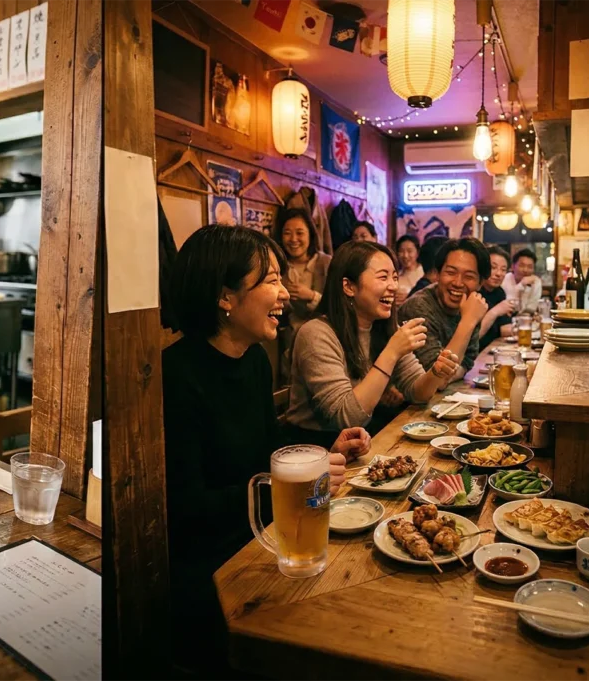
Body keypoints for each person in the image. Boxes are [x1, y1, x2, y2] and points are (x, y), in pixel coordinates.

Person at [163, 224, 370, 673]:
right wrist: (278, 490)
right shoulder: (176, 376)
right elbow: (187, 507)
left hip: (265, 543)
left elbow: (265, 448)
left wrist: (322, 446)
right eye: (272, 280)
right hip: (214, 575)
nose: (285, 295)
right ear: (225, 297)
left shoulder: (255, 359)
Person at [286, 241, 460, 445]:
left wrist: (436, 373)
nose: (393, 286)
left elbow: (417, 392)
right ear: (349, 286)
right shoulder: (316, 334)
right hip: (315, 447)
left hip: (364, 437)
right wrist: (392, 352)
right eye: (383, 277)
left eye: (395, 277)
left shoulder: (382, 327)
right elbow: (348, 418)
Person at [399, 238, 490, 381]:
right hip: (405, 402)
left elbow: (468, 361)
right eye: (451, 272)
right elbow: (438, 379)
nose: (458, 283)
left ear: (480, 283)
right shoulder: (419, 308)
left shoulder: (471, 304)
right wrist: (468, 322)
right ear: (437, 274)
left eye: (468, 276)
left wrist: (453, 374)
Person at [274, 208, 331, 376]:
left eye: (300, 233)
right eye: (287, 233)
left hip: (321, 346)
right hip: (285, 347)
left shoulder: (326, 263)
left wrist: (312, 296)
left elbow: (338, 306)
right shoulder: (276, 265)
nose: (293, 239)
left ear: (311, 235)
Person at [479, 246, 516, 347]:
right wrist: (496, 311)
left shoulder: (499, 292)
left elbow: (504, 329)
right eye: (493, 268)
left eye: (503, 269)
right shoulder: (474, 292)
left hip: (492, 350)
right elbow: (474, 336)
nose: (499, 274)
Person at [502, 248, 541, 313]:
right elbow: (509, 306)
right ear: (513, 266)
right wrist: (521, 285)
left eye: (530, 267)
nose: (525, 270)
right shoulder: (504, 279)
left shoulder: (536, 282)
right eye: (522, 265)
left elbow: (531, 308)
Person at [394, 234, 422, 305]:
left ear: (417, 253)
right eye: (401, 251)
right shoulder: (395, 276)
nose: (405, 256)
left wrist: (409, 297)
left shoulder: (423, 273)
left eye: (409, 251)